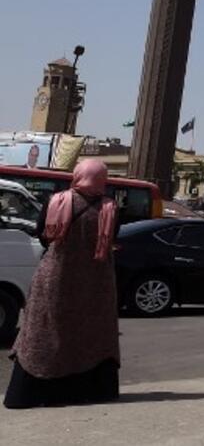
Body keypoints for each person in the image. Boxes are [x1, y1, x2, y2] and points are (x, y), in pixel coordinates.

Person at [5, 159, 120, 409]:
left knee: (45, 331)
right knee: (90, 334)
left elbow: (43, 235)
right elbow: (113, 238)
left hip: (56, 278)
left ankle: (30, 393)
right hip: (95, 282)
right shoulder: (109, 208)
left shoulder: (57, 201)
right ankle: (85, 391)